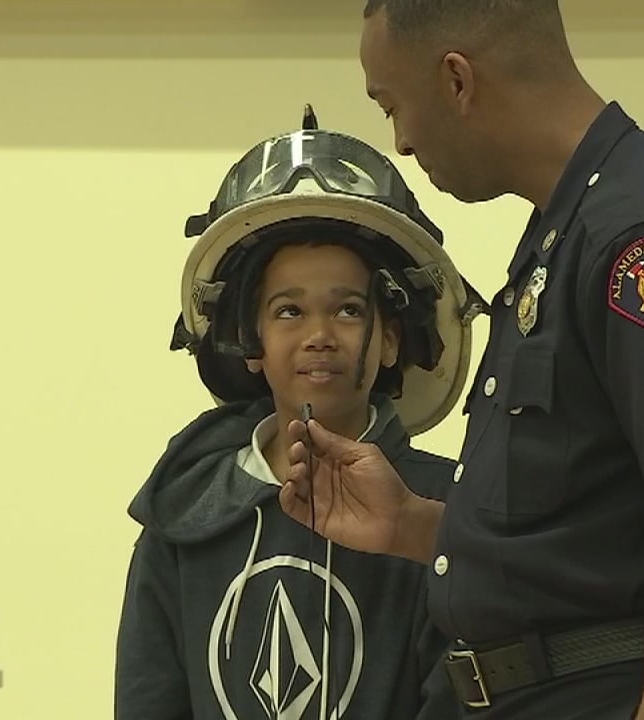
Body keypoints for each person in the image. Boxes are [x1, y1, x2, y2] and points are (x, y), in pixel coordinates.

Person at [277, 3, 644, 720]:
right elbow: (585, 544)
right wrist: (410, 523)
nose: (399, 141)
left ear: (457, 80)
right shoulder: (566, 235)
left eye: (393, 106)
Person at [114, 106, 487, 720]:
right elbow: (148, 697)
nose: (319, 335)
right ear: (250, 341)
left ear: (391, 339)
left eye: (347, 311)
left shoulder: (445, 506)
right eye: (289, 312)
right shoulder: (185, 508)